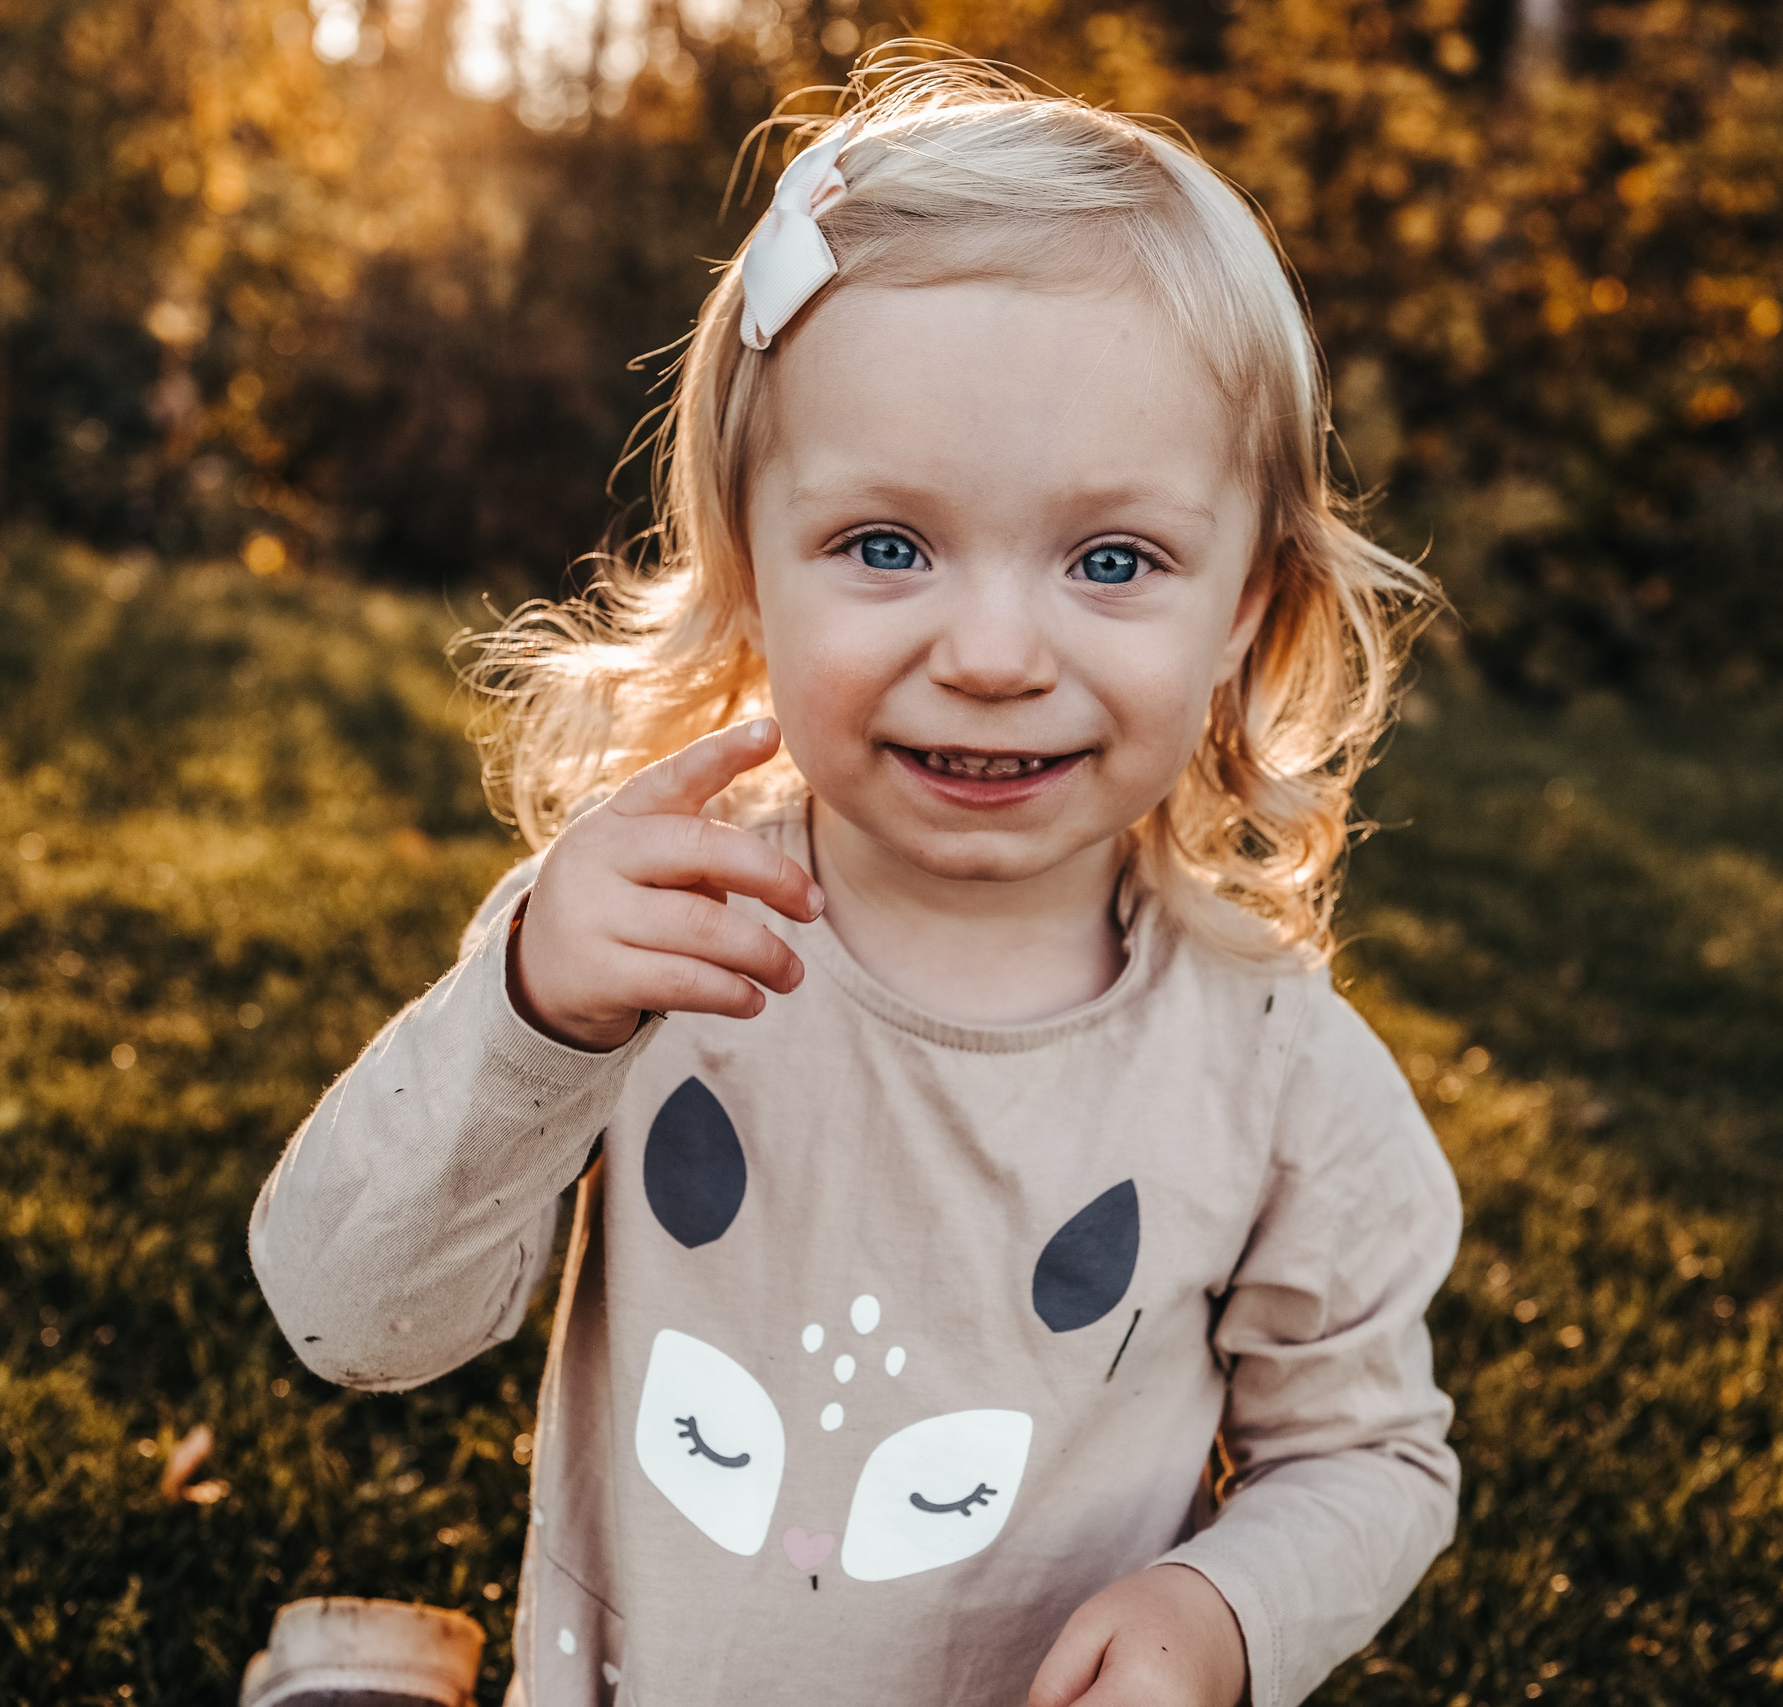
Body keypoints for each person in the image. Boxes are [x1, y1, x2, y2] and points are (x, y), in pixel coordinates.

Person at [250, 53, 1464, 1707]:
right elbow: (350, 1319)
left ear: (1247, 605)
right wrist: (530, 1015)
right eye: (886, 546)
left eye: (1114, 561)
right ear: (752, 568)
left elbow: (1373, 1454)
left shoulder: (1274, 1074)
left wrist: (1217, 1615)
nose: (987, 655)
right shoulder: (642, 947)